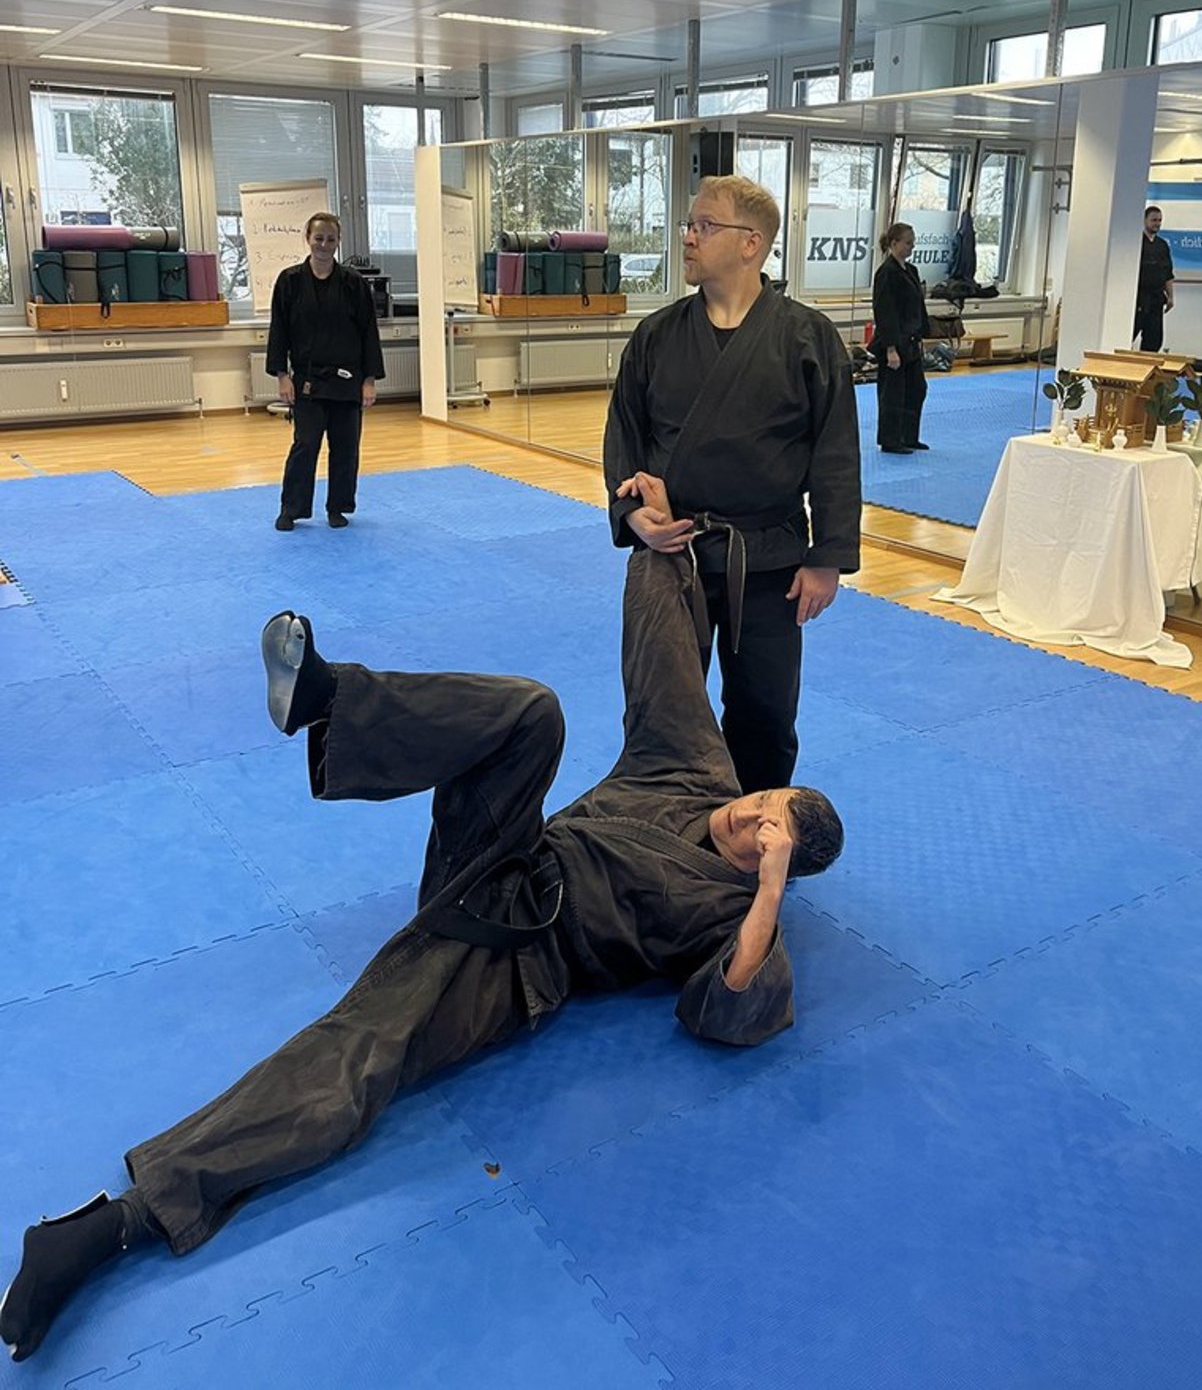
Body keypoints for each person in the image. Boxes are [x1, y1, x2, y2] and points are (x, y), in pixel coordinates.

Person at [0, 549, 844, 1362]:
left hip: (515, 957)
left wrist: (769, 889)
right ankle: (328, 697)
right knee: (535, 711)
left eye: (765, 834)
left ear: (772, 866)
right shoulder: (697, 764)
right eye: (762, 800)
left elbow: (733, 1011)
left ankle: (117, 1223)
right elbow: (663, 647)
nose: (747, 817)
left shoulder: (731, 914)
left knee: (361, 1054)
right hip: (500, 854)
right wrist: (654, 539)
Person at [603, 173, 861, 796]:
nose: (688, 237)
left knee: (766, 715)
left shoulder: (808, 338)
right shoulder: (657, 335)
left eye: (704, 225)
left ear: (751, 244)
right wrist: (633, 515)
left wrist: (827, 557)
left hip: (769, 559)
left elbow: (835, 452)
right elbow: (625, 438)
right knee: (660, 710)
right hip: (672, 556)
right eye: (689, 224)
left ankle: (753, 827)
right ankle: (671, 831)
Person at [266, 212, 384, 532]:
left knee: (345, 446)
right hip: (307, 379)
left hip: (348, 379)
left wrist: (369, 380)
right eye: (318, 238)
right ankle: (291, 508)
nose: (324, 244)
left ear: (338, 241)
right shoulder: (289, 281)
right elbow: (279, 330)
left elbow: (368, 332)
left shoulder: (353, 283)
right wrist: (282, 375)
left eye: (330, 239)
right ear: (308, 238)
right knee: (305, 445)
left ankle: (338, 506)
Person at [870, 222, 929, 455]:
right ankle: (890, 440)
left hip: (912, 340)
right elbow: (884, 312)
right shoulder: (886, 273)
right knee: (893, 393)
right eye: (908, 243)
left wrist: (923, 333)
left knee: (917, 389)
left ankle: (909, 436)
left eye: (913, 243)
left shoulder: (911, 270)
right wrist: (890, 348)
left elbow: (918, 306)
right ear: (894, 244)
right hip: (894, 341)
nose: (911, 247)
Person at [1134, 205, 1175, 353]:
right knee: (1129, 333)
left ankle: (1146, 365)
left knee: (1154, 339)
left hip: (1157, 298)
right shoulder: (1137, 242)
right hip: (1139, 297)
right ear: (1145, 220)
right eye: (1154, 220)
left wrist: (1170, 297)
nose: (1157, 223)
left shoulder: (1162, 245)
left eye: (1159, 220)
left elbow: (1168, 273)